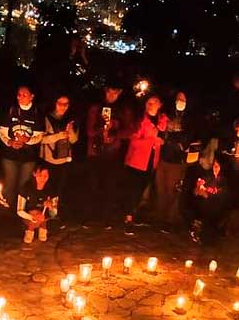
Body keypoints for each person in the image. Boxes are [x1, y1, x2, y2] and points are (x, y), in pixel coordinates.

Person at [84, 80, 132, 223]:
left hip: (113, 153)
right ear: (105, 91)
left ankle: (107, 218)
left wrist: (114, 130)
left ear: (120, 93)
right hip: (95, 152)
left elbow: (129, 131)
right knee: (93, 184)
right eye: (110, 92)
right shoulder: (96, 107)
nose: (112, 95)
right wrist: (102, 127)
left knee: (110, 185)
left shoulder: (123, 110)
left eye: (115, 93)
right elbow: (90, 131)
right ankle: (90, 216)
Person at [122, 95, 168, 233]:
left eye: (153, 102)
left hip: (151, 160)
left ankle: (136, 214)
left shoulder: (163, 120)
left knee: (143, 189)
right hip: (137, 160)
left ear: (160, 104)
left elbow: (162, 138)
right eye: (148, 102)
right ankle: (128, 218)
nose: (150, 105)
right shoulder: (140, 120)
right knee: (133, 189)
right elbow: (134, 140)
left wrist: (160, 141)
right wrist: (152, 140)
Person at [0, 85, 44, 205]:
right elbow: (2, 131)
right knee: (9, 184)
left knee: (23, 186)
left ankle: (21, 211)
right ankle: (7, 210)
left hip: (29, 157)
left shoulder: (37, 112)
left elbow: (39, 135)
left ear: (31, 97)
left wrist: (27, 140)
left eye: (24, 95)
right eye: (19, 94)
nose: (20, 97)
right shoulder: (11, 110)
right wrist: (10, 142)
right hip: (10, 155)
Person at [156, 91, 196, 229]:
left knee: (172, 190)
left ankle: (169, 220)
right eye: (179, 98)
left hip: (177, 161)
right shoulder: (168, 115)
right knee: (161, 189)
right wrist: (169, 138)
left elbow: (186, 138)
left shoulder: (190, 119)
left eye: (183, 99)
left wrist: (171, 139)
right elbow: (161, 132)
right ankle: (161, 218)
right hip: (163, 157)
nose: (180, 101)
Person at [40, 94, 78, 211]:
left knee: (60, 188)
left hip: (64, 159)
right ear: (55, 103)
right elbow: (41, 139)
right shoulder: (46, 118)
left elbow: (74, 140)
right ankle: (44, 213)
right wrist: (57, 136)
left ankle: (55, 213)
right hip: (49, 159)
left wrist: (70, 131)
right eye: (60, 104)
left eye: (65, 104)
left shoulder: (71, 119)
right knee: (48, 188)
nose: (63, 107)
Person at [185, 146, 229, 245]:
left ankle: (207, 233)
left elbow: (221, 197)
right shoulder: (209, 177)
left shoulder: (224, 181)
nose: (215, 168)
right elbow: (196, 192)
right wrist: (198, 187)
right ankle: (195, 228)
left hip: (216, 208)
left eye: (217, 166)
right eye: (214, 165)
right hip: (203, 205)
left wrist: (206, 194)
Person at [17, 165, 58, 244]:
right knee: (36, 212)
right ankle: (30, 230)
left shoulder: (51, 190)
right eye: (40, 175)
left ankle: (42, 228)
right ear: (34, 174)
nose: (43, 178)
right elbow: (19, 211)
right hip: (28, 218)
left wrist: (51, 207)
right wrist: (32, 217)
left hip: (44, 218)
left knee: (40, 215)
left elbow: (54, 214)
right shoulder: (26, 189)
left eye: (45, 175)